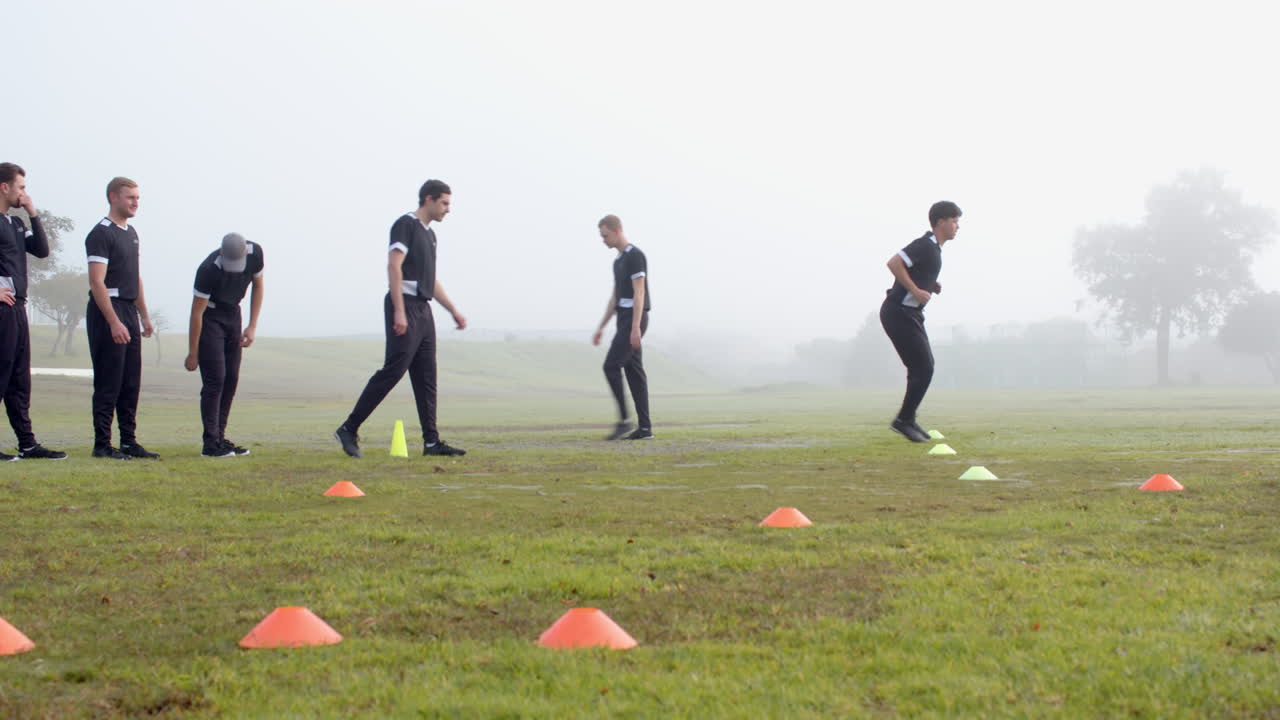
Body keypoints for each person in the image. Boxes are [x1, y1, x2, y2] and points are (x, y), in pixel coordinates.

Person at [334, 179, 467, 458]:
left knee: (427, 376)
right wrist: (398, 310)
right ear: (428, 199)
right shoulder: (405, 224)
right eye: (444, 203)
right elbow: (394, 265)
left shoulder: (430, 235)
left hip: (423, 308)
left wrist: (453, 310)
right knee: (393, 370)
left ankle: (432, 442)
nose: (448, 209)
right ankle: (348, 427)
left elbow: (430, 280)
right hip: (404, 304)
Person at [85, 177, 158, 460]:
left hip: (129, 309)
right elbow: (96, 282)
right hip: (108, 311)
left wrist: (144, 315)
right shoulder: (101, 234)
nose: (136, 202)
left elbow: (134, 277)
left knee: (130, 381)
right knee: (109, 381)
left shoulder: (131, 233)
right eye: (130, 197)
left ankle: (129, 441)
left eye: (138, 197)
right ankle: (102, 445)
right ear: (114, 197)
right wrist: (114, 321)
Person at [0, 163, 66, 461]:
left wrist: (32, 213)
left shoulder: (14, 224)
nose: (24, 193)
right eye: (21, 187)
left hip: (18, 310)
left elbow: (41, 250)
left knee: (18, 380)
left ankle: (27, 444)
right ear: (5, 187)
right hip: (2, 310)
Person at [881, 200, 961, 442]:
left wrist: (928, 285)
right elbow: (894, 263)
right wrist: (916, 289)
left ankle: (908, 419)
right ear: (940, 222)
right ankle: (904, 420)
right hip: (898, 312)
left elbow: (913, 271)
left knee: (923, 367)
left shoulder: (935, 250)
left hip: (909, 314)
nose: (958, 226)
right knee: (924, 367)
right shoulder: (925, 245)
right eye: (954, 221)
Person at [184, 233, 264, 457]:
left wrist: (252, 326)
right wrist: (193, 353)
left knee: (231, 378)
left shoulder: (255, 254)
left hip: (233, 315)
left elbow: (258, 286)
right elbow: (196, 313)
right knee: (215, 379)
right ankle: (210, 444)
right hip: (211, 317)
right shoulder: (208, 269)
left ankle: (220, 437)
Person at [591, 214, 652, 440]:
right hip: (623, 319)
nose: (603, 240)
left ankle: (625, 421)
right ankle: (645, 429)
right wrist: (601, 327)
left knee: (611, 366)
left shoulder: (635, 256)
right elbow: (614, 298)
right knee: (634, 371)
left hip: (635, 318)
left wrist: (635, 328)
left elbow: (639, 293)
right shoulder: (618, 262)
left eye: (605, 235)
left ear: (617, 231)